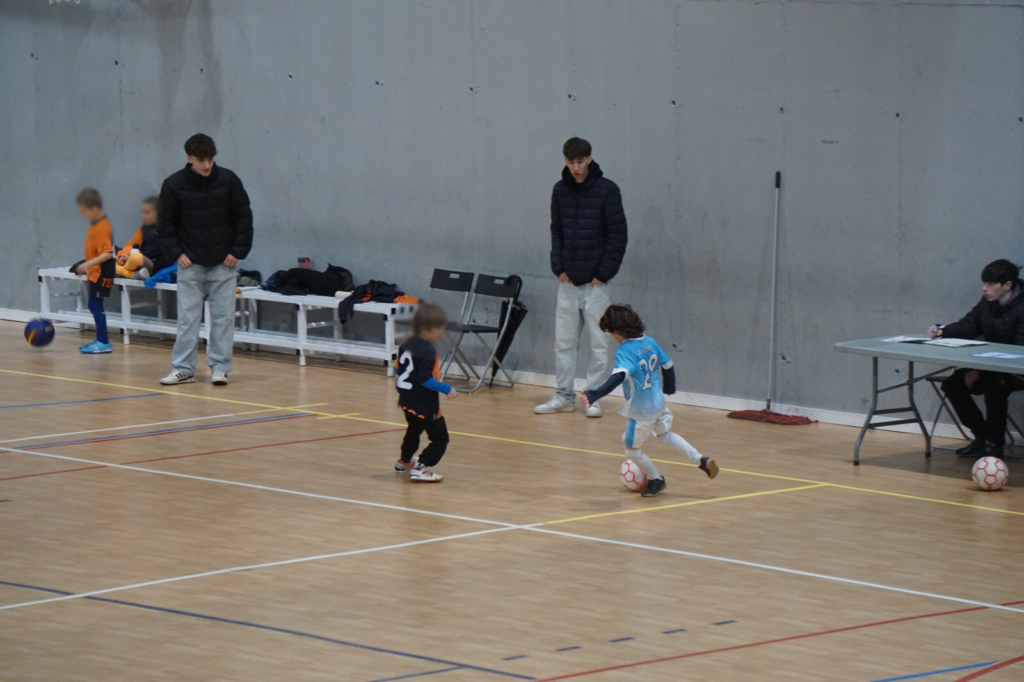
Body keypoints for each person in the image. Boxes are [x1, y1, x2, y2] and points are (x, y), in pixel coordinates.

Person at [581, 305, 719, 497]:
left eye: (611, 332)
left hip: (641, 411)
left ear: (618, 331)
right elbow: (668, 364)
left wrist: (594, 394)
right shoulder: (649, 342)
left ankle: (655, 479)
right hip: (658, 403)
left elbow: (618, 377)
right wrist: (669, 387)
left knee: (631, 450)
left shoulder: (624, 351)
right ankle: (700, 459)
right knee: (664, 435)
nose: (612, 337)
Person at [535, 137, 628, 418]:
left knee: (599, 344)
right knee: (563, 343)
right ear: (565, 161)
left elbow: (618, 236)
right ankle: (563, 396)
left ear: (589, 159)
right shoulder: (559, 190)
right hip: (567, 283)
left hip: (597, 285)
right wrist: (558, 268)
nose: (576, 167)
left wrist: (603, 274)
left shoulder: (608, 190)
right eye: (570, 162)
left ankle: (593, 397)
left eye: (580, 161)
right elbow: (556, 231)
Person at [157, 133, 253, 386]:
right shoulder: (173, 184)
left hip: (224, 262)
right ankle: (183, 369)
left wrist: (237, 251)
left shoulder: (229, 180)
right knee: (187, 319)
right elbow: (165, 225)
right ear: (189, 158)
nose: (207, 164)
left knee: (224, 318)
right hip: (190, 263)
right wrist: (177, 253)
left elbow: (244, 217)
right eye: (201, 160)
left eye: (210, 158)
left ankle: (220, 368)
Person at [930, 259, 1024, 459]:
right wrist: (944, 330)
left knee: (995, 385)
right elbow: (968, 326)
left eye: (991, 284)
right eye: (984, 283)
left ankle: (994, 445)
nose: (984, 288)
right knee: (952, 385)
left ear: (1007, 285)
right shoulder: (986, 303)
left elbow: (1019, 352)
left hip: (1017, 370)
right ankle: (981, 437)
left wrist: (981, 371)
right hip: (991, 366)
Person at [394, 304, 457, 482]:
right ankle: (421, 467)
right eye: (438, 328)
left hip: (406, 399)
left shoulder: (406, 343)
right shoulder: (429, 350)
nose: (442, 332)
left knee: (414, 429)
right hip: (425, 403)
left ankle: (405, 460)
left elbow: (397, 369)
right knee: (440, 438)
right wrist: (447, 389)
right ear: (424, 328)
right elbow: (425, 379)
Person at [74, 188, 115, 355]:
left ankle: (104, 342)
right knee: (94, 303)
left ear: (95, 209)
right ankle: (100, 339)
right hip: (95, 271)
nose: (82, 215)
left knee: (95, 304)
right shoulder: (95, 224)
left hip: (103, 271)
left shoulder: (103, 227)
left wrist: (87, 265)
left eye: (84, 211)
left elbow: (107, 253)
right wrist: (89, 271)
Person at [115, 196, 169, 279]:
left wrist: (131, 259)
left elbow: (159, 254)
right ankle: (133, 274)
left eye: (147, 213)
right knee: (112, 265)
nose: (143, 216)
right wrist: (122, 257)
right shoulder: (143, 229)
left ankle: (125, 272)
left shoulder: (165, 229)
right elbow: (130, 245)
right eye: (142, 213)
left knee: (136, 257)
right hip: (138, 264)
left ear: (159, 212)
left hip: (154, 265)